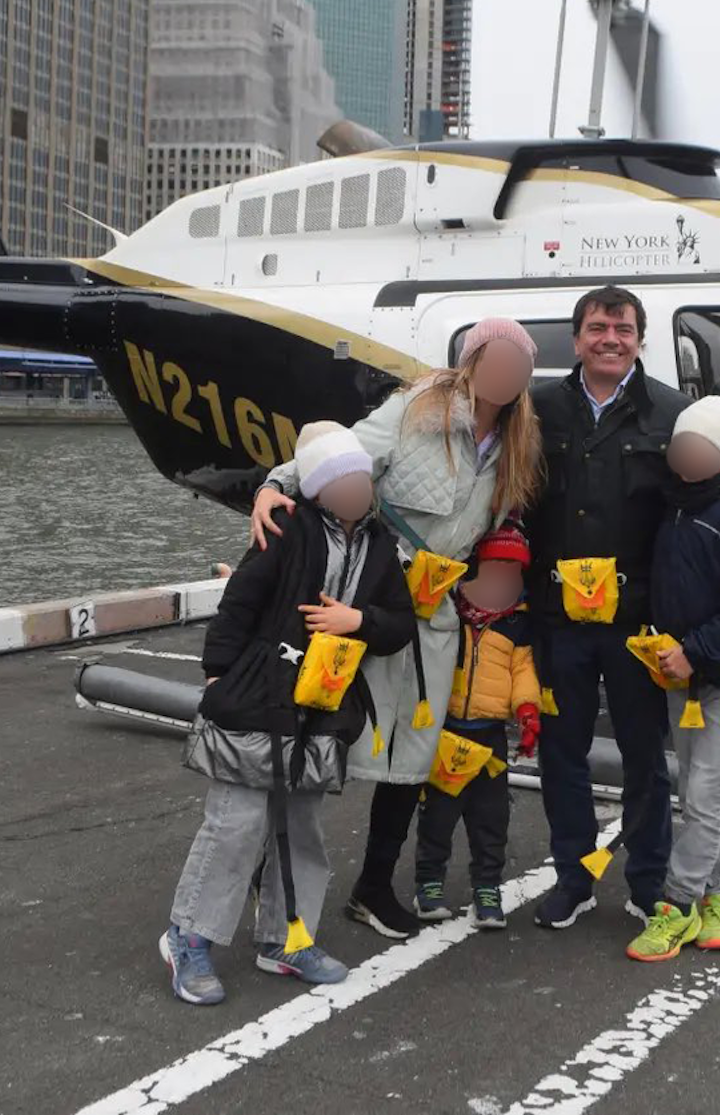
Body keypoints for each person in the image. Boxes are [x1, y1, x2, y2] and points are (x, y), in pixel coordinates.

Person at [249, 318, 544, 939]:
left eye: (518, 365)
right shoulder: (416, 409)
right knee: (311, 730)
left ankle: (374, 886)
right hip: (365, 587)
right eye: (496, 358)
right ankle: (264, 868)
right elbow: (344, 455)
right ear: (472, 360)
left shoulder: (517, 443)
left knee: (412, 754)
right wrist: (275, 486)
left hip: (432, 613)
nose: (506, 374)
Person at [527, 286, 720, 931]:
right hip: (557, 618)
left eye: (624, 329)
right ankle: (573, 878)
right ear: (576, 338)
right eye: (598, 327)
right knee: (562, 753)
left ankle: (647, 879)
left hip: (639, 624)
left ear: (640, 340)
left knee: (644, 757)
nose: (610, 339)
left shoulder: (671, 411)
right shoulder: (536, 409)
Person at [162, 422, 416, 1005]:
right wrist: (218, 674)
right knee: (236, 822)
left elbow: (399, 623)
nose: (357, 490)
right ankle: (188, 937)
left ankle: (287, 938)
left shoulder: (381, 545)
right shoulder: (285, 529)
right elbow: (240, 602)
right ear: (320, 489)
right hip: (261, 692)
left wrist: (359, 622)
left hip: (324, 703)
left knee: (303, 826)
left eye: (362, 480)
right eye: (344, 481)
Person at [626, 396, 720, 961]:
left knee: (704, 794)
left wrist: (696, 651)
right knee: (696, 791)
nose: (687, 454)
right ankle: (718, 897)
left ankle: (677, 904)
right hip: (679, 676)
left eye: (702, 446)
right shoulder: (672, 503)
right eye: (682, 443)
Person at [412, 522, 541, 930]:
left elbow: (523, 671)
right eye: (495, 572)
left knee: (491, 818)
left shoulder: (517, 624)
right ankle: (428, 882)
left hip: (490, 737)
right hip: (446, 731)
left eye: (513, 576)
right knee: (438, 814)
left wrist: (527, 711)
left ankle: (487, 887)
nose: (504, 583)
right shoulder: (449, 613)